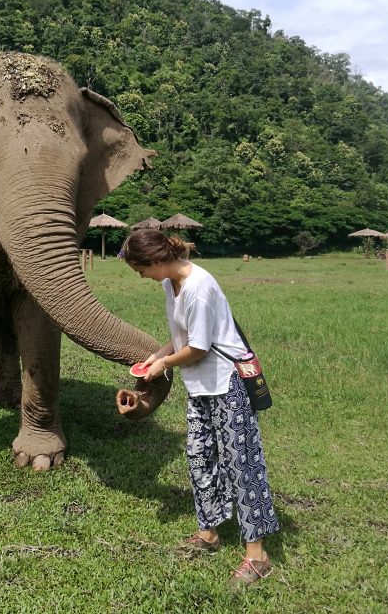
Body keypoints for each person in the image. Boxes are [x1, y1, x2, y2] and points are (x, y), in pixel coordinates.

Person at [117, 229, 278, 587]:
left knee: (241, 462)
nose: (142, 276)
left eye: (141, 270)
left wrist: (164, 366)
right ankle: (209, 533)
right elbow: (182, 337)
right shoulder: (169, 285)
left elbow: (200, 348)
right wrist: (157, 354)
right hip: (200, 386)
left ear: (157, 261)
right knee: (200, 456)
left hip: (227, 383)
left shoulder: (199, 287)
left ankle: (258, 556)